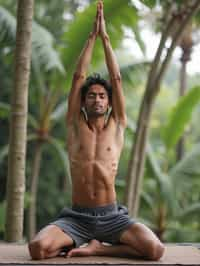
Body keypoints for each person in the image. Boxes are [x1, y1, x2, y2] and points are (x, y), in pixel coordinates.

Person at [28, 1, 165, 261]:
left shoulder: (118, 125)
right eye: (91, 96)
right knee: (37, 249)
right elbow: (78, 77)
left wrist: (105, 38)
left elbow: (117, 79)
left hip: (112, 216)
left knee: (155, 250)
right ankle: (74, 243)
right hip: (76, 217)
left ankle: (99, 248)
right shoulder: (74, 125)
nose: (97, 100)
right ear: (83, 101)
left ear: (109, 102)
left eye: (102, 96)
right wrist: (91, 37)